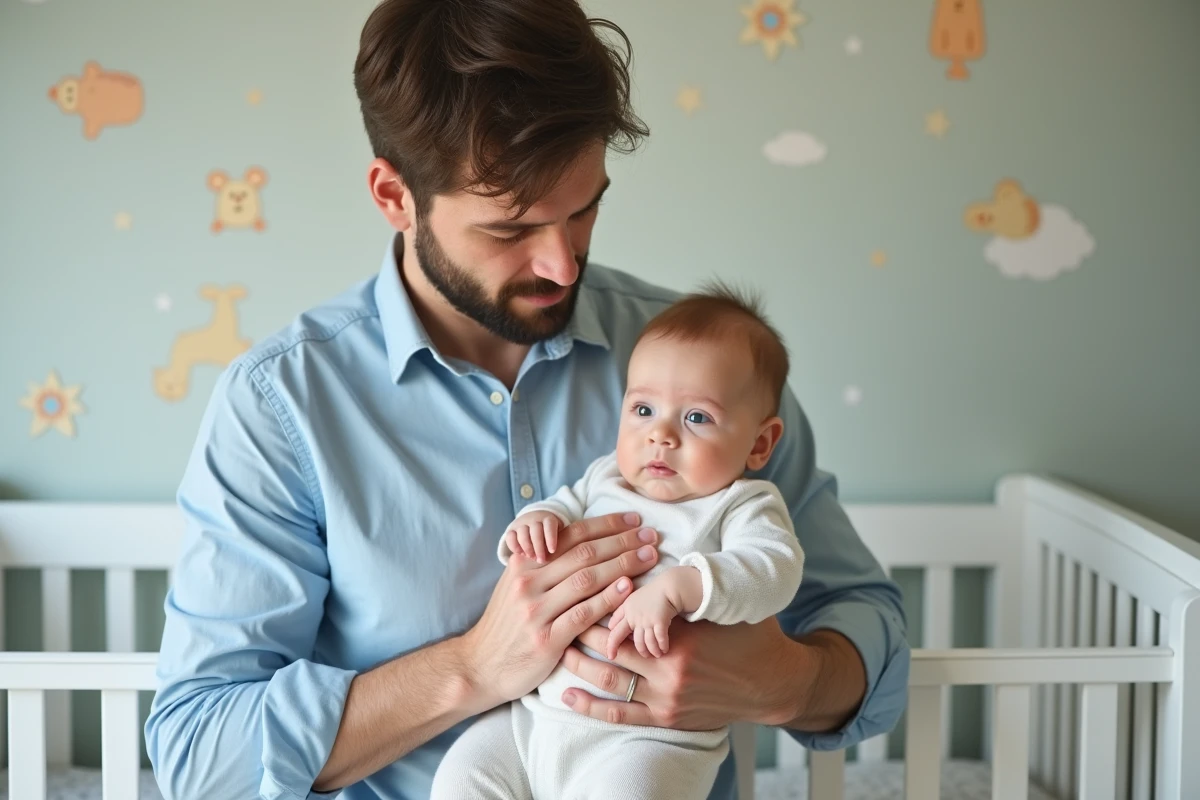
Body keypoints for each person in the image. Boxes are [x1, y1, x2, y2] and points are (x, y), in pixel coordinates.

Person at [144, 1, 910, 799]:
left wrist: (778, 683)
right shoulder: (282, 408)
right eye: (511, 230)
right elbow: (200, 756)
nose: (562, 266)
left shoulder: (704, 371)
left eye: (584, 210)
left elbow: (868, 631)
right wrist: (472, 669)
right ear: (394, 196)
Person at [430, 285, 808, 799]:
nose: (661, 436)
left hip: (649, 742)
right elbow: (562, 506)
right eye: (643, 410)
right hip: (534, 723)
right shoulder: (606, 477)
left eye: (697, 417)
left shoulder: (741, 505)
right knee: (462, 775)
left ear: (759, 443)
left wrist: (684, 586)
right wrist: (536, 521)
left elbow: (775, 569)